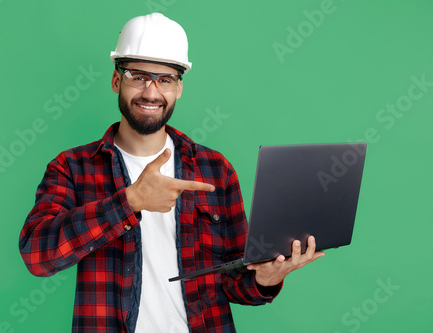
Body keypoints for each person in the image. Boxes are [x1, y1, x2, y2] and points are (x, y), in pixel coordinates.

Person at [19, 13, 325, 333]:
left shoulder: (215, 171)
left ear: (179, 88)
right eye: (138, 76)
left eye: (164, 79)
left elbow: (236, 281)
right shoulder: (72, 167)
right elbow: (37, 256)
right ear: (116, 80)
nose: (151, 92)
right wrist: (130, 200)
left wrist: (266, 278)